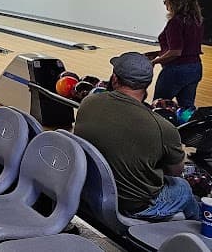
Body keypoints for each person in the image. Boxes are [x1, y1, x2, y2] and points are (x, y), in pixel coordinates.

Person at [74, 52, 199, 221]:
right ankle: (200, 230)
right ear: (147, 84)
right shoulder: (164, 128)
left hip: (89, 190)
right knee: (182, 187)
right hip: (132, 207)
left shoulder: (88, 102)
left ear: (115, 79)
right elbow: (176, 171)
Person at [148, 0, 204, 110]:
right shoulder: (196, 20)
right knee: (186, 108)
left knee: (158, 106)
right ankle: (186, 129)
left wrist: (154, 62)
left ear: (175, 1)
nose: (164, 3)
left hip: (176, 70)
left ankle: (159, 130)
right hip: (195, 68)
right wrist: (158, 53)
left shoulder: (175, 22)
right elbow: (187, 47)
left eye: (166, 0)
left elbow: (176, 51)